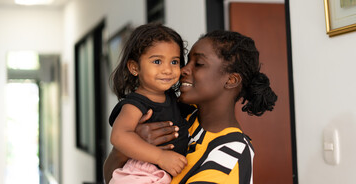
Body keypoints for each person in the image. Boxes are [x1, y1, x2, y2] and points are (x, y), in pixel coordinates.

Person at [104, 30, 277, 184]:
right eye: (186, 62)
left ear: (231, 80)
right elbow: (112, 176)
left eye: (199, 64)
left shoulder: (230, 152)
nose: (183, 70)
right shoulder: (180, 117)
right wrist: (124, 150)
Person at [107, 22, 192, 184]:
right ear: (134, 68)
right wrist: (160, 156)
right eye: (157, 62)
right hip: (141, 174)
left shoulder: (172, 98)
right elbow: (119, 136)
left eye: (174, 62)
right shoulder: (135, 104)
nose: (167, 69)